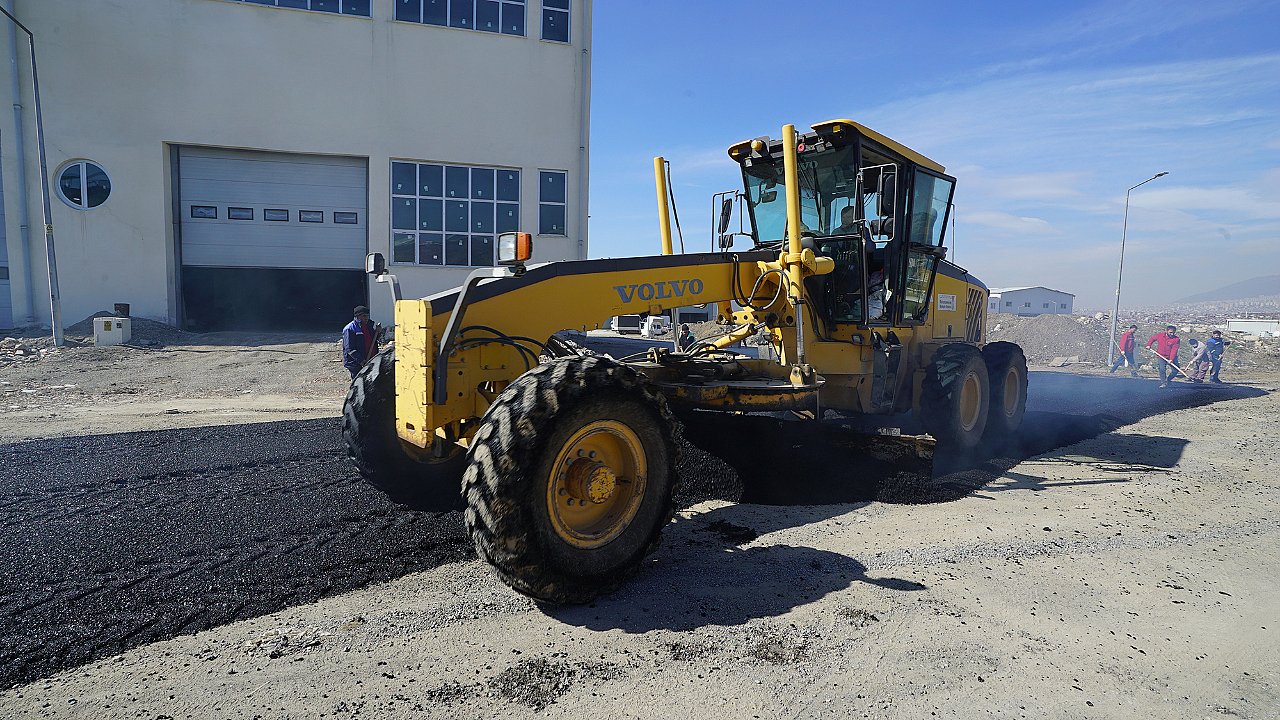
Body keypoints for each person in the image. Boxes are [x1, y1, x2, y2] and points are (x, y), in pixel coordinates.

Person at [342, 305, 378, 379]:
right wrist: (361, 361)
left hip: (369, 360)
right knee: (358, 382)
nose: (366, 318)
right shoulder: (350, 329)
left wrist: (378, 332)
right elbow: (350, 348)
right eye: (364, 316)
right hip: (356, 363)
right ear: (357, 316)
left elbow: (373, 340)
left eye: (367, 316)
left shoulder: (368, 326)